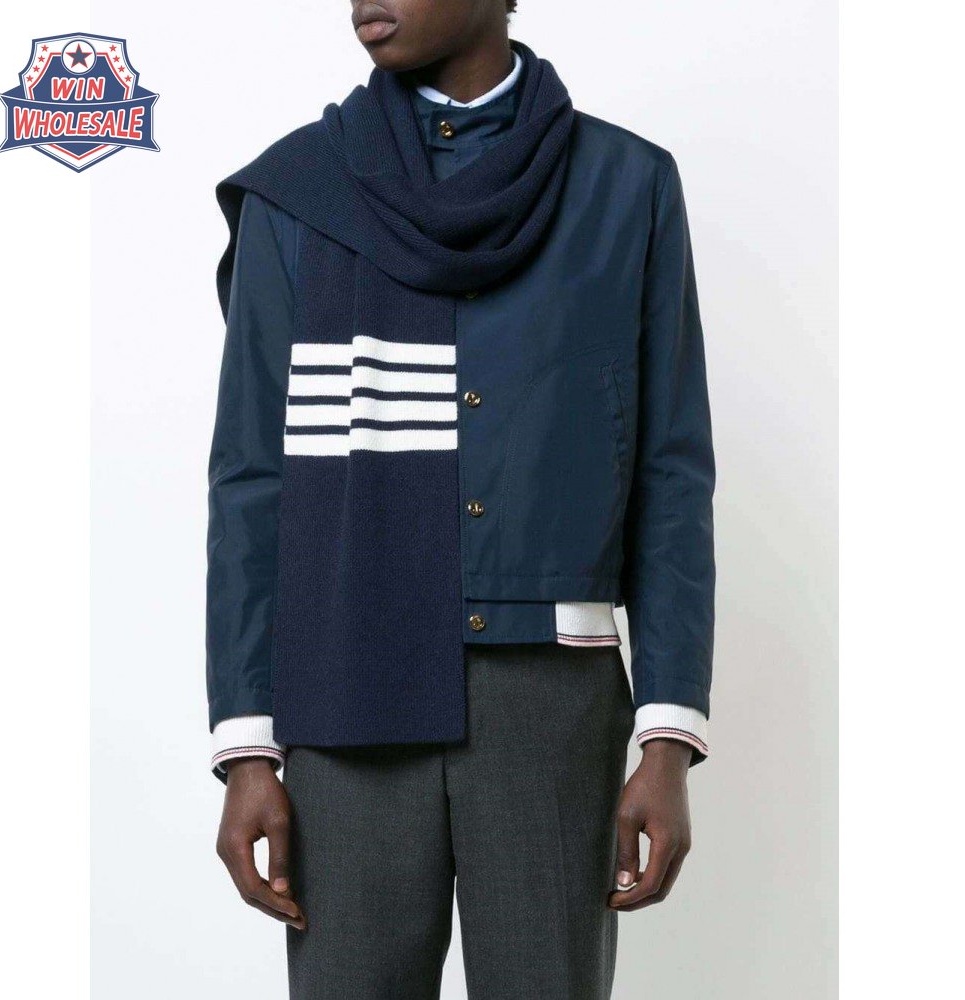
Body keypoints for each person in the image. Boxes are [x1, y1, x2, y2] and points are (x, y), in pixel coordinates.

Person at [206, 1, 715, 996]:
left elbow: (669, 469)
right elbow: (253, 479)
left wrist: (667, 736)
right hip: (347, 691)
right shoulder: (300, 191)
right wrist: (246, 746)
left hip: (550, 702)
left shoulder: (625, 184)